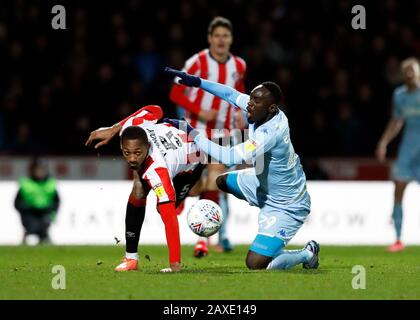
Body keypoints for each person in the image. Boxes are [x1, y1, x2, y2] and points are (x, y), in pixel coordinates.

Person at [164, 67, 320, 270]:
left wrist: (191, 131)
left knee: (255, 264)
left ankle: (307, 253)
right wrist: (198, 82)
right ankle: (259, 234)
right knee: (221, 180)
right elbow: (230, 94)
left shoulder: (270, 133)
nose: (249, 105)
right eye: (251, 99)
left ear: (271, 108)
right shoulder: (261, 110)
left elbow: (229, 156)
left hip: (288, 204)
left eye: (255, 102)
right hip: (259, 184)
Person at [85, 105, 204, 272]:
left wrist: (174, 265)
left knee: (165, 208)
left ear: (147, 147)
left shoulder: (158, 171)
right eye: (127, 153)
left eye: (137, 153)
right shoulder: (132, 125)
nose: (132, 158)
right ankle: (131, 259)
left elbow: (170, 220)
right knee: (139, 190)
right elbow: (156, 109)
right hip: (172, 135)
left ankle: (192, 192)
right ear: (121, 146)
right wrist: (114, 128)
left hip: (194, 159)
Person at [169, 16, 247, 257]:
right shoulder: (197, 62)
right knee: (195, 185)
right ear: (210, 39)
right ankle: (180, 196)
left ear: (231, 39)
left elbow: (240, 91)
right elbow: (175, 92)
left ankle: (203, 241)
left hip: (223, 133)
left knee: (215, 177)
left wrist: (241, 113)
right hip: (195, 132)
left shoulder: (239, 65)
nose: (222, 40)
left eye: (226, 36)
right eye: (218, 36)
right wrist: (199, 110)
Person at [375, 57, 420, 252]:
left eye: (413, 71)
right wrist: (384, 142)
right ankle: (399, 239)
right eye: (406, 72)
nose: (410, 75)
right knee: (399, 188)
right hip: (408, 147)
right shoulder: (399, 95)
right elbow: (397, 121)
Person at [14, 158, 60, 244]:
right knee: (32, 235)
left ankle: (45, 238)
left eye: (42, 169)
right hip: (30, 214)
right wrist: (26, 208)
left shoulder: (50, 183)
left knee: (44, 226)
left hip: (45, 213)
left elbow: (56, 202)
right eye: (37, 169)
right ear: (32, 170)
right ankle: (28, 236)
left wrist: (52, 212)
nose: (40, 172)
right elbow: (17, 203)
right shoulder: (26, 183)